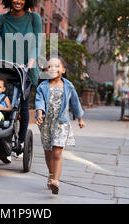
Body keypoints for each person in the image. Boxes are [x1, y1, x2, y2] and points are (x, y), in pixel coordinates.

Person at [0, 0, 42, 156]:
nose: (18, 1)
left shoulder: (34, 19)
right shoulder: (2, 19)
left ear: (26, 1)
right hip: (5, 68)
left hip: (26, 69)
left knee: (22, 105)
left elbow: (37, 42)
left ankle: (19, 141)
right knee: (0, 100)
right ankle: (0, 135)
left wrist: (32, 60)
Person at [35, 56, 86, 195]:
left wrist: (80, 118)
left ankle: (56, 181)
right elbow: (39, 101)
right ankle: (51, 174)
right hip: (46, 124)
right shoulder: (42, 86)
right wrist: (39, 113)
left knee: (57, 152)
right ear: (46, 70)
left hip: (62, 123)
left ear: (63, 70)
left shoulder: (68, 86)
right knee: (48, 152)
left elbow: (75, 102)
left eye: (57, 66)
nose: (53, 69)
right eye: (50, 66)